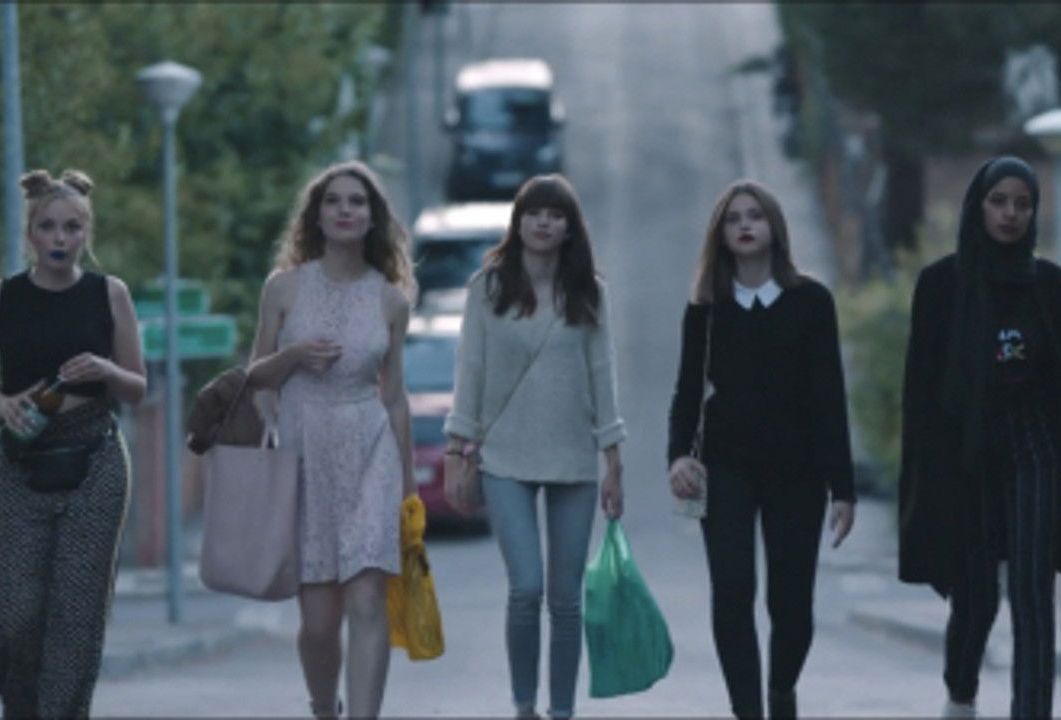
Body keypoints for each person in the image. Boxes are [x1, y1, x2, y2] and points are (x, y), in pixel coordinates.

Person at [897, 156, 1061, 719]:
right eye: (999, 201)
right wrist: (925, 482)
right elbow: (920, 394)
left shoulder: (1048, 284)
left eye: (1023, 204)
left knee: (1032, 593)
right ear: (977, 206)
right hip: (967, 456)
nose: (1010, 214)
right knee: (977, 597)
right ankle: (961, 694)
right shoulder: (941, 284)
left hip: (1033, 449)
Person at [0, 168, 147, 719]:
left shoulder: (110, 293)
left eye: (72, 228)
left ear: (86, 233)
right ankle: (22, 710)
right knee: (11, 612)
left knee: (76, 614)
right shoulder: (0, 297)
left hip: (95, 458)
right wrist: (2, 405)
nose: (60, 238)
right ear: (31, 234)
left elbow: (137, 387)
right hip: (23, 457)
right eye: (48, 227)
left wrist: (106, 369)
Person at [667, 179, 856, 720]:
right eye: (733, 219)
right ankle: (748, 711)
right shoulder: (706, 309)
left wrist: (843, 488)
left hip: (798, 470)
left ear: (774, 226)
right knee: (732, 591)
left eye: (754, 216)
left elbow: (829, 396)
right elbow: (687, 391)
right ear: (721, 235)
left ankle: (782, 689)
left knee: (791, 605)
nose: (745, 225)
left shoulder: (811, 302)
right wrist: (678, 455)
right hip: (724, 466)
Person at [443, 174, 626, 720]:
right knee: (525, 587)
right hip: (505, 457)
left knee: (566, 599)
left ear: (570, 227)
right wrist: (456, 449)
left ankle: (562, 710)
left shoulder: (589, 292)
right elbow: (470, 370)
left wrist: (613, 459)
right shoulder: (487, 288)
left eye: (555, 215)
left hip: (573, 457)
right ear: (518, 222)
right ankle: (524, 705)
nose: (544, 223)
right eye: (534, 213)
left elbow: (602, 374)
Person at [246, 160, 417, 719]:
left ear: (372, 218)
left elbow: (395, 396)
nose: (346, 210)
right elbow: (255, 379)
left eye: (357, 202)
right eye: (334, 201)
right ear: (316, 216)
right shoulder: (284, 287)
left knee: (367, 602)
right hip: (304, 457)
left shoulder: (390, 300)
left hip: (370, 453)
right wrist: (292, 357)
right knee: (319, 623)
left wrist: (407, 487)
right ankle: (325, 707)